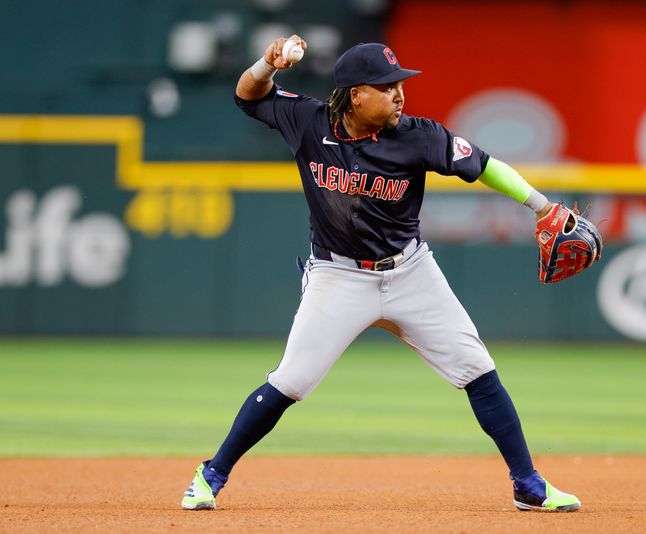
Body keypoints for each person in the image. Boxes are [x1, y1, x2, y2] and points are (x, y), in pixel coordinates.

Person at [181, 35, 581, 513]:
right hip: (339, 276)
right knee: (292, 380)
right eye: (387, 85)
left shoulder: (420, 135)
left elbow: (486, 166)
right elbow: (248, 95)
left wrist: (542, 207)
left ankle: (528, 484)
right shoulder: (308, 121)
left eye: (400, 83)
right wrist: (266, 64)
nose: (399, 93)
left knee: (477, 368)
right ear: (356, 94)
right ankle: (211, 474)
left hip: (410, 272)